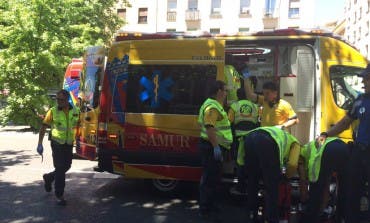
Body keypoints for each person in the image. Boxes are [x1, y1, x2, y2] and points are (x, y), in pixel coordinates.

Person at [319, 64, 370, 223]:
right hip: (360, 153)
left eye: (366, 79)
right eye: (363, 78)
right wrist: (326, 134)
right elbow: (345, 123)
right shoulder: (360, 100)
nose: (363, 82)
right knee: (352, 192)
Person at [242, 126, 301, 223]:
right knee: (272, 186)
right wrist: (287, 176)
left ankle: (252, 214)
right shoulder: (296, 143)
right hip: (266, 141)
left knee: (253, 181)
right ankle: (272, 219)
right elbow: (292, 164)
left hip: (249, 137)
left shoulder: (278, 133)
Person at [37, 89, 80, 206]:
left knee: (67, 166)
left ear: (67, 100)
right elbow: (43, 127)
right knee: (60, 168)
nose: (59, 102)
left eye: (61, 100)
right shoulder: (53, 111)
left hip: (68, 143)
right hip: (57, 143)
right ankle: (59, 195)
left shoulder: (75, 111)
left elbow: (78, 126)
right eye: (57, 99)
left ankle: (49, 177)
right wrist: (40, 143)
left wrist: (79, 139)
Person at [197, 80, 233, 219]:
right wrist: (216, 147)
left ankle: (210, 206)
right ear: (218, 91)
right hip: (210, 147)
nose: (226, 93)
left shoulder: (216, 105)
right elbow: (209, 127)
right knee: (208, 179)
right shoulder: (212, 107)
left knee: (213, 178)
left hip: (212, 147)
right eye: (225, 90)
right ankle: (205, 210)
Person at [299, 137, 349, 223]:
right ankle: (340, 218)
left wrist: (304, 202)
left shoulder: (300, 156)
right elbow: (327, 183)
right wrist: (323, 208)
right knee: (343, 190)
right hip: (344, 147)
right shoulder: (310, 147)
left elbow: (303, 182)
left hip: (328, 150)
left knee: (315, 191)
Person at [228, 86, 260, 195]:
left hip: (239, 139)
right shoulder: (255, 106)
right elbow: (258, 122)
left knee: (240, 163)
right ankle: (252, 187)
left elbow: (230, 122)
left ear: (237, 95)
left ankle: (240, 187)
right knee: (252, 163)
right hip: (253, 139)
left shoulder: (234, 106)